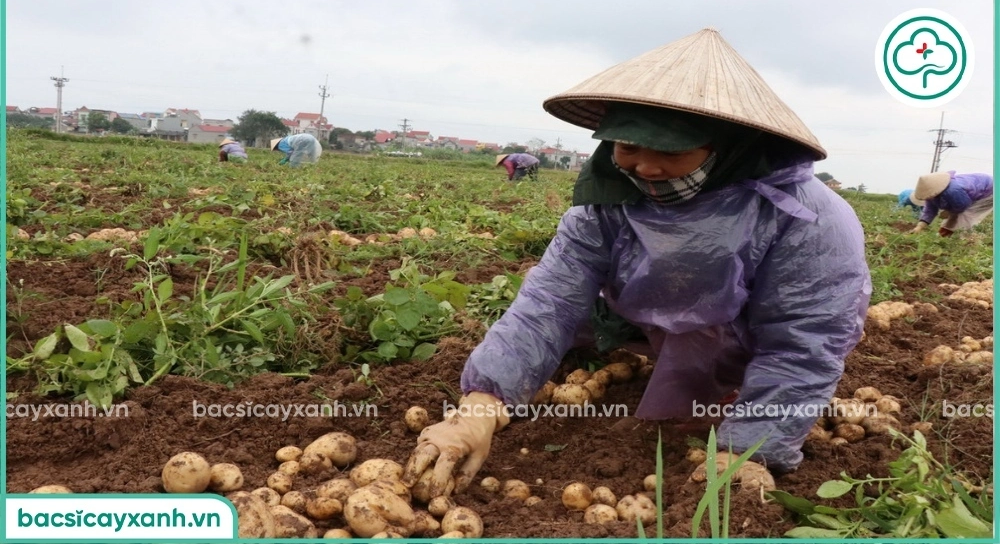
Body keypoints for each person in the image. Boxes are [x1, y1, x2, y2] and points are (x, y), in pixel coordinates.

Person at [402, 28, 872, 499]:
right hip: (632, 318)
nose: (645, 169)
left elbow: (803, 341)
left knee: (741, 372)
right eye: (627, 148)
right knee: (552, 309)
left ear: (728, 145)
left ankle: (729, 387)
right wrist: (478, 412)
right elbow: (549, 302)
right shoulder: (605, 201)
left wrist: (748, 451)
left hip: (745, 338)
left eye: (669, 151)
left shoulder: (807, 219)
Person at [909, 171, 994, 237]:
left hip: (991, 190)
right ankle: (945, 236)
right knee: (954, 216)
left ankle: (964, 240)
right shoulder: (931, 194)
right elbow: (929, 210)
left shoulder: (953, 190)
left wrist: (948, 211)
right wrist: (919, 227)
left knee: (965, 215)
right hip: (973, 193)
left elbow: (962, 205)